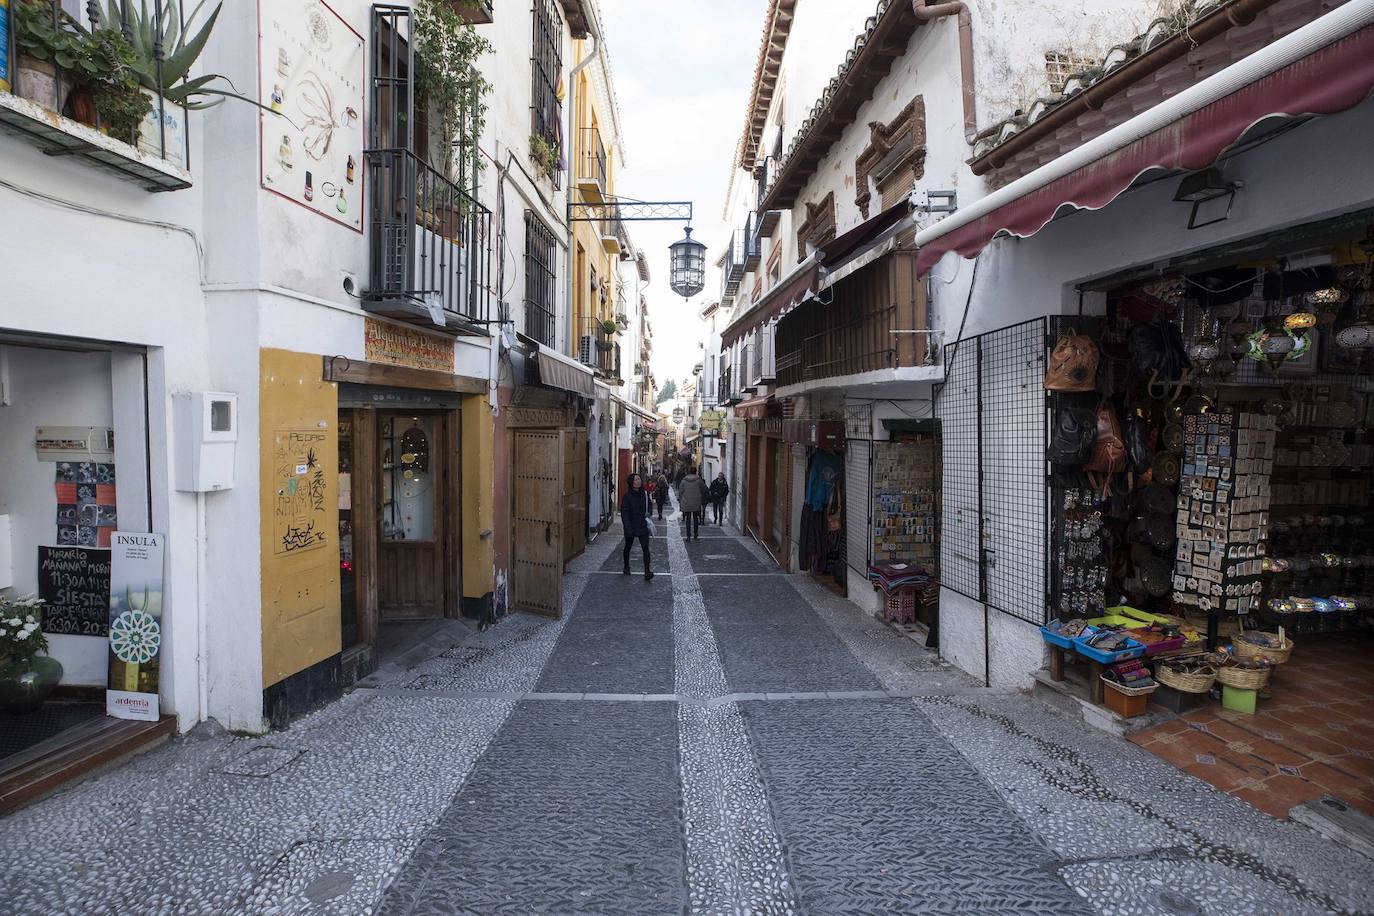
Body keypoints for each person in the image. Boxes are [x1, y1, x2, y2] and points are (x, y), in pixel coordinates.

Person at [620, 473, 654, 581]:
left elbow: (649, 505)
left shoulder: (644, 494)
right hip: (631, 526)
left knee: (645, 549)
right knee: (628, 547)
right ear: (631, 482)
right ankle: (626, 566)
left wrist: (649, 513)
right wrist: (628, 527)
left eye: (639, 479)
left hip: (642, 525)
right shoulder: (627, 496)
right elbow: (624, 512)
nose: (638, 481)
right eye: (636, 480)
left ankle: (647, 571)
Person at [677, 464, 709, 540]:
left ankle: (688, 536)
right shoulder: (699, 480)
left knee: (688, 520)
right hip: (696, 502)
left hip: (686, 502)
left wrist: (681, 500)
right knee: (695, 519)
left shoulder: (684, 481)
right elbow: (704, 489)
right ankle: (695, 535)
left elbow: (680, 491)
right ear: (696, 472)